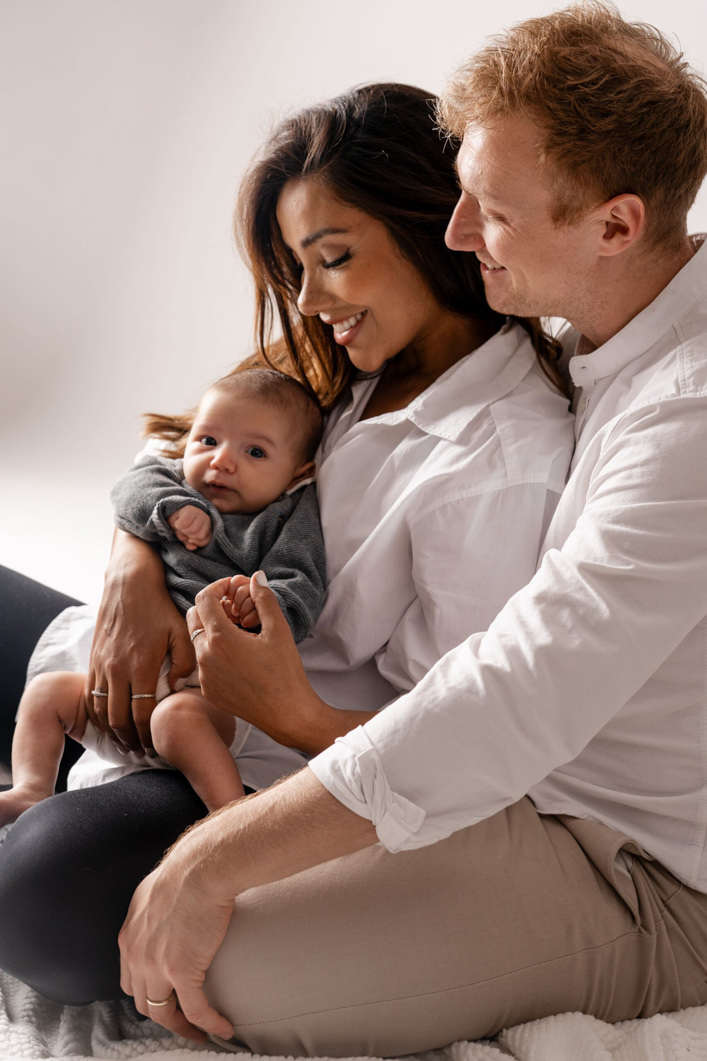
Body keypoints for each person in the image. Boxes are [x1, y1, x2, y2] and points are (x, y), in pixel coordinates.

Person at [102, 4, 707, 1056]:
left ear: (614, 223)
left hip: (641, 866)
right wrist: (129, 568)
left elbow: (517, 687)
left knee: (222, 959)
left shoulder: (683, 417)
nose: (458, 234)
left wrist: (210, 854)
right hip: (526, 781)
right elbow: (228, 421)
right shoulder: (597, 306)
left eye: (491, 213)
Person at [0, 79, 573, 1013]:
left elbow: (461, 744)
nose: (307, 300)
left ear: (442, 228)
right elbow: (169, 455)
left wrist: (287, 705)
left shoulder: (503, 460)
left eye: (333, 259)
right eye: (296, 267)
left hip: (250, 774)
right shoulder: (348, 373)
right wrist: (129, 577)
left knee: (37, 893)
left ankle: (57, 805)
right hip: (128, 674)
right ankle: (47, 776)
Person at [0, 368, 325, 822]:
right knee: (46, 692)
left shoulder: (286, 517)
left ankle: (230, 819)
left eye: (255, 452)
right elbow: (129, 489)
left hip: (202, 696)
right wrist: (169, 508)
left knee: (178, 721)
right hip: (113, 696)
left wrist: (264, 609)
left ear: (298, 473)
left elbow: (301, 579)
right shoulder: (174, 484)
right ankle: (31, 789)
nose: (222, 461)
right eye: (208, 441)